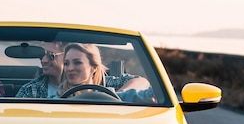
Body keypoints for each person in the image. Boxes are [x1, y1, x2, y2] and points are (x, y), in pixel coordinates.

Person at [16, 41, 149, 98]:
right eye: (67, 63)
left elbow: (142, 83)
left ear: (93, 68)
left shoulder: (107, 84)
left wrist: (118, 96)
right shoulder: (33, 91)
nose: (43, 60)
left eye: (51, 56)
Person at [58, 43, 155, 102]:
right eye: (66, 63)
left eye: (77, 62)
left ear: (94, 67)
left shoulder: (111, 89)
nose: (70, 68)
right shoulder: (55, 98)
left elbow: (151, 92)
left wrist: (116, 96)